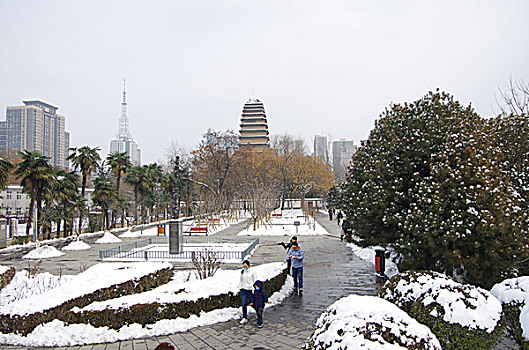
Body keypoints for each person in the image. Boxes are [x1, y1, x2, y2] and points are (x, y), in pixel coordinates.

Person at [239, 259, 257, 324]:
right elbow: (241, 280)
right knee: (244, 304)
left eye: (246, 266)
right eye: (244, 266)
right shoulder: (242, 272)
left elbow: (255, 281)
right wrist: (240, 287)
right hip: (243, 289)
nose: (245, 268)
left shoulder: (252, 272)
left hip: (250, 289)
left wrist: (254, 288)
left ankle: (258, 312)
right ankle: (245, 317)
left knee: (252, 303)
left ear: (249, 266)